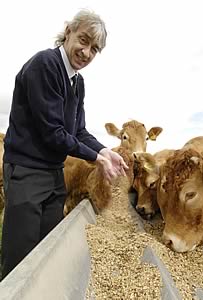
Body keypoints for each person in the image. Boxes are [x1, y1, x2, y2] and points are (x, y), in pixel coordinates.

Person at [1, 9, 128, 280]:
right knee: (20, 259)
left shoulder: (77, 82)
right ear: (68, 30)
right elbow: (53, 133)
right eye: (83, 40)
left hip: (54, 175)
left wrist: (105, 150)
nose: (86, 52)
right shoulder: (45, 64)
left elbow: (78, 131)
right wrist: (97, 159)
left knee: (48, 250)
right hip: (27, 172)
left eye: (95, 49)